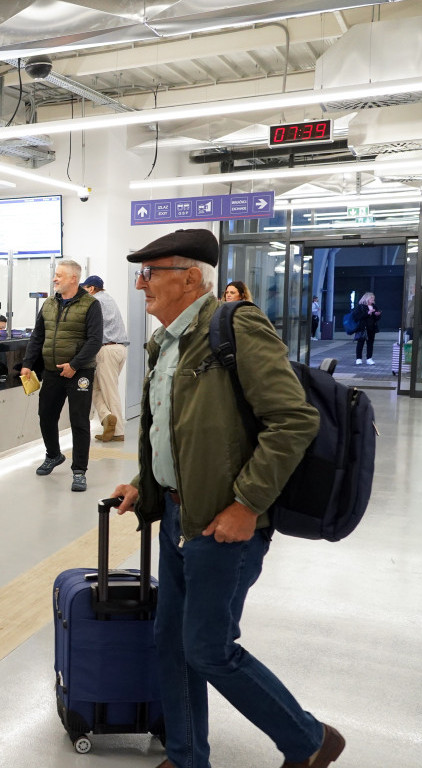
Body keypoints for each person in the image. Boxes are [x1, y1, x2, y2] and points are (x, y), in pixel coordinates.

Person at [110, 228, 343, 768]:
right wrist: (146, 483)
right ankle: (187, 757)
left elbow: (293, 420)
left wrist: (247, 505)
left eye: (151, 273)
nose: (141, 284)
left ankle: (310, 740)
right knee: (172, 642)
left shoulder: (235, 327)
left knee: (208, 648)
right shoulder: (165, 343)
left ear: (191, 277)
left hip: (225, 523)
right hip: (177, 514)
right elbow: (173, 431)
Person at [20, 259, 103, 492]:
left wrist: (74, 365)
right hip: (52, 371)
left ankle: (79, 471)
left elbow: (95, 340)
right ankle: (53, 455)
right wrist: (27, 364)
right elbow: (38, 336)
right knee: (46, 416)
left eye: (59, 275)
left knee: (79, 421)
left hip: (80, 372)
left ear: (74, 278)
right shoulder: (49, 304)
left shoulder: (91, 305)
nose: (54, 278)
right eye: (55, 275)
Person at [80, 275, 128, 443]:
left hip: (106, 350)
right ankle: (107, 418)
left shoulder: (94, 302)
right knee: (96, 388)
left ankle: (118, 432)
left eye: (84, 288)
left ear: (91, 288)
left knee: (109, 392)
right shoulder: (109, 299)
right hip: (119, 349)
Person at [352, 292, 381, 365]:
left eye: (373, 299)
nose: (373, 300)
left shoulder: (374, 306)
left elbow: (377, 318)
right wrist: (367, 313)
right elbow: (356, 317)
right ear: (367, 299)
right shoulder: (360, 307)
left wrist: (377, 315)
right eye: (371, 298)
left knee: (370, 343)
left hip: (372, 328)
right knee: (360, 343)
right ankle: (358, 359)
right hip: (363, 328)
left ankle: (369, 358)